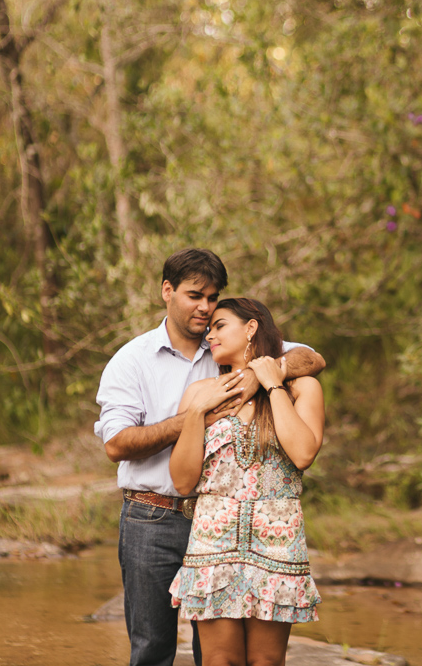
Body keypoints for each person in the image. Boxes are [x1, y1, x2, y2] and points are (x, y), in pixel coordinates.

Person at [95, 249, 325, 666]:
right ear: (167, 291)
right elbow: (116, 444)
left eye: (213, 298)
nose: (205, 308)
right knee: (151, 648)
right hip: (154, 519)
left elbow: (312, 357)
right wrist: (194, 416)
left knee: (216, 658)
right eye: (194, 296)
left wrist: (259, 375)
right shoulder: (133, 360)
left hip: (235, 523)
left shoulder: (225, 345)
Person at [167, 297, 325, 666]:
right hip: (213, 538)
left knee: (266, 663)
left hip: (277, 540)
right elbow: (182, 480)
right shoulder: (199, 392)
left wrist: (272, 384)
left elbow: (303, 454)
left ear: (251, 328)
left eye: (220, 325)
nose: (210, 336)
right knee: (220, 661)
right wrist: (198, 413)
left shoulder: (302, 388)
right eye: (209, 329)